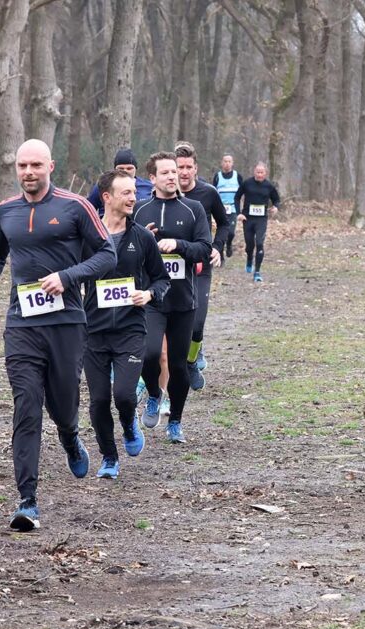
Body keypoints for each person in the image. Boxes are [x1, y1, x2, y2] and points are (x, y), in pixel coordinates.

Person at [0, 139, 115, 531]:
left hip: (67, 322)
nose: (29, 172)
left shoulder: (75, 206)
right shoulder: (6, 211)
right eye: (22, 165)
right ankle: (27, 501)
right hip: (22, 325)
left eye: (36, 164)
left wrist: (67, 277)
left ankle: (70, 434)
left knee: (63, 402)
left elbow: (107, 254)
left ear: (50, 165)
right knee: (27, 406)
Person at [82, 170, 170, 479]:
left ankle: (130, 423)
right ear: (106, 197)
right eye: (126, 193)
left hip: (131, 329)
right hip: (92, 330)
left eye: (134, 192)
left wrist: (148, 294)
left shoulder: (142, 237)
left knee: (122, 395)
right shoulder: (87, 236)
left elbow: (162, 279)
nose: (134, 198)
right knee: (98, 400)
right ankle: (109, 457)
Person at [133, 152, 212, 443]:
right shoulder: (139, 211)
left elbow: (204, 248)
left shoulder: (193, 209)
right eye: (164, 172)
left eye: (174, 172)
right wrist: (144, 239)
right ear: (151, 178)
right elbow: (125, 249)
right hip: (151, 298)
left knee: (178, 365)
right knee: (150, 353)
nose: (171, 176)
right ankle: (154, 394)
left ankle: (176, 420)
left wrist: (178, 244)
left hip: (182, 300)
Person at [174, 141, 228, 390]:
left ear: (195, 169)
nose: (184, 172)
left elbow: (224, 223)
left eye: (188, 167)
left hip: (199, 264)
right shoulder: (163, 193)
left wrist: (217, 247)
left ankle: (191, 361)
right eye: (179, 167)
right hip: (170, 267)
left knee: (197, 323)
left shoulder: (208, 193)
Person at [234, 162, 281, 282]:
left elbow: (276, 199)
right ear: (254, 172)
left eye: (262, 172)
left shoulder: (269, 186)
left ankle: (257, 272)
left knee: (259, 243)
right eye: (257, 172)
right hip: (248, 218)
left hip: (261, 219)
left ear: (265, 174)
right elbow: (237, 197)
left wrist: (275, 207)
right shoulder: (247, 183)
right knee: (250, 245)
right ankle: (249, 258)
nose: (259, 175)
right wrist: (238, 213)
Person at [86, 148, 154, 216]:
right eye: (121, 168)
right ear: (115, 169)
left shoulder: (149, 187)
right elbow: (87, 211)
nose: (125, 171)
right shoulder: (102, 186)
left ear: (135, 169)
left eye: (129, 168)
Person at [212, 154, 243, 257]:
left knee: (231, 233)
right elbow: (213, 192)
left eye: (229, 161)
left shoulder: (237, 176)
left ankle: (228, 244)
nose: (227, 163)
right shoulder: (217, 176)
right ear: (222, 163)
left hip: (233, 208)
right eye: (225, 161)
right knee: (220, 232)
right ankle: (220, 254)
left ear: (232, 163)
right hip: (220, 209)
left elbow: (243, 192)